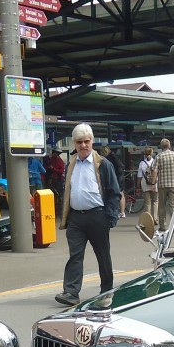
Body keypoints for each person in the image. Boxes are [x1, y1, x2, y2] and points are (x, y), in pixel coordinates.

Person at [56, 123, 121, 306]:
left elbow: (114, 192)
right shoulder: (71, 164)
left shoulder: (103, 164)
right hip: (76, 218)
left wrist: (110, 217)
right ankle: (71, 292)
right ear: (74, 144)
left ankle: (107, 291)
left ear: (92, 141)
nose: (83, 145)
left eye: (86, 141)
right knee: (75, 255)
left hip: (98, 216)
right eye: (79, 142)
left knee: (103, 254)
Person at [154, 138, 174, 231]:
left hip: (162, 184)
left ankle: (162, 226)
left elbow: (155, 170)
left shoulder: (159, 156)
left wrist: (153, 182)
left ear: (161, 146)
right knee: (173, 204)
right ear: (169, 146)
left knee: (162, 205)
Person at [99, 145, 126, 217]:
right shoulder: (114, 156)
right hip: (120, 177)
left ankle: (114, 211)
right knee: (121, 194)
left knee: (114, 194)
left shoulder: (106, 159)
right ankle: (122, 212)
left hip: (115, 177)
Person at [137, 146, 158, 223]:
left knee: (147, 202)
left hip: (144, 183)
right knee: (155, 201)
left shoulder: (142, 163)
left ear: (145, 154)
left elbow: (139, 175)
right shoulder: (155, 161)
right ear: (152, 153)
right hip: (154, 182)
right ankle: (155, 218)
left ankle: (149, 220)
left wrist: (138, 186)